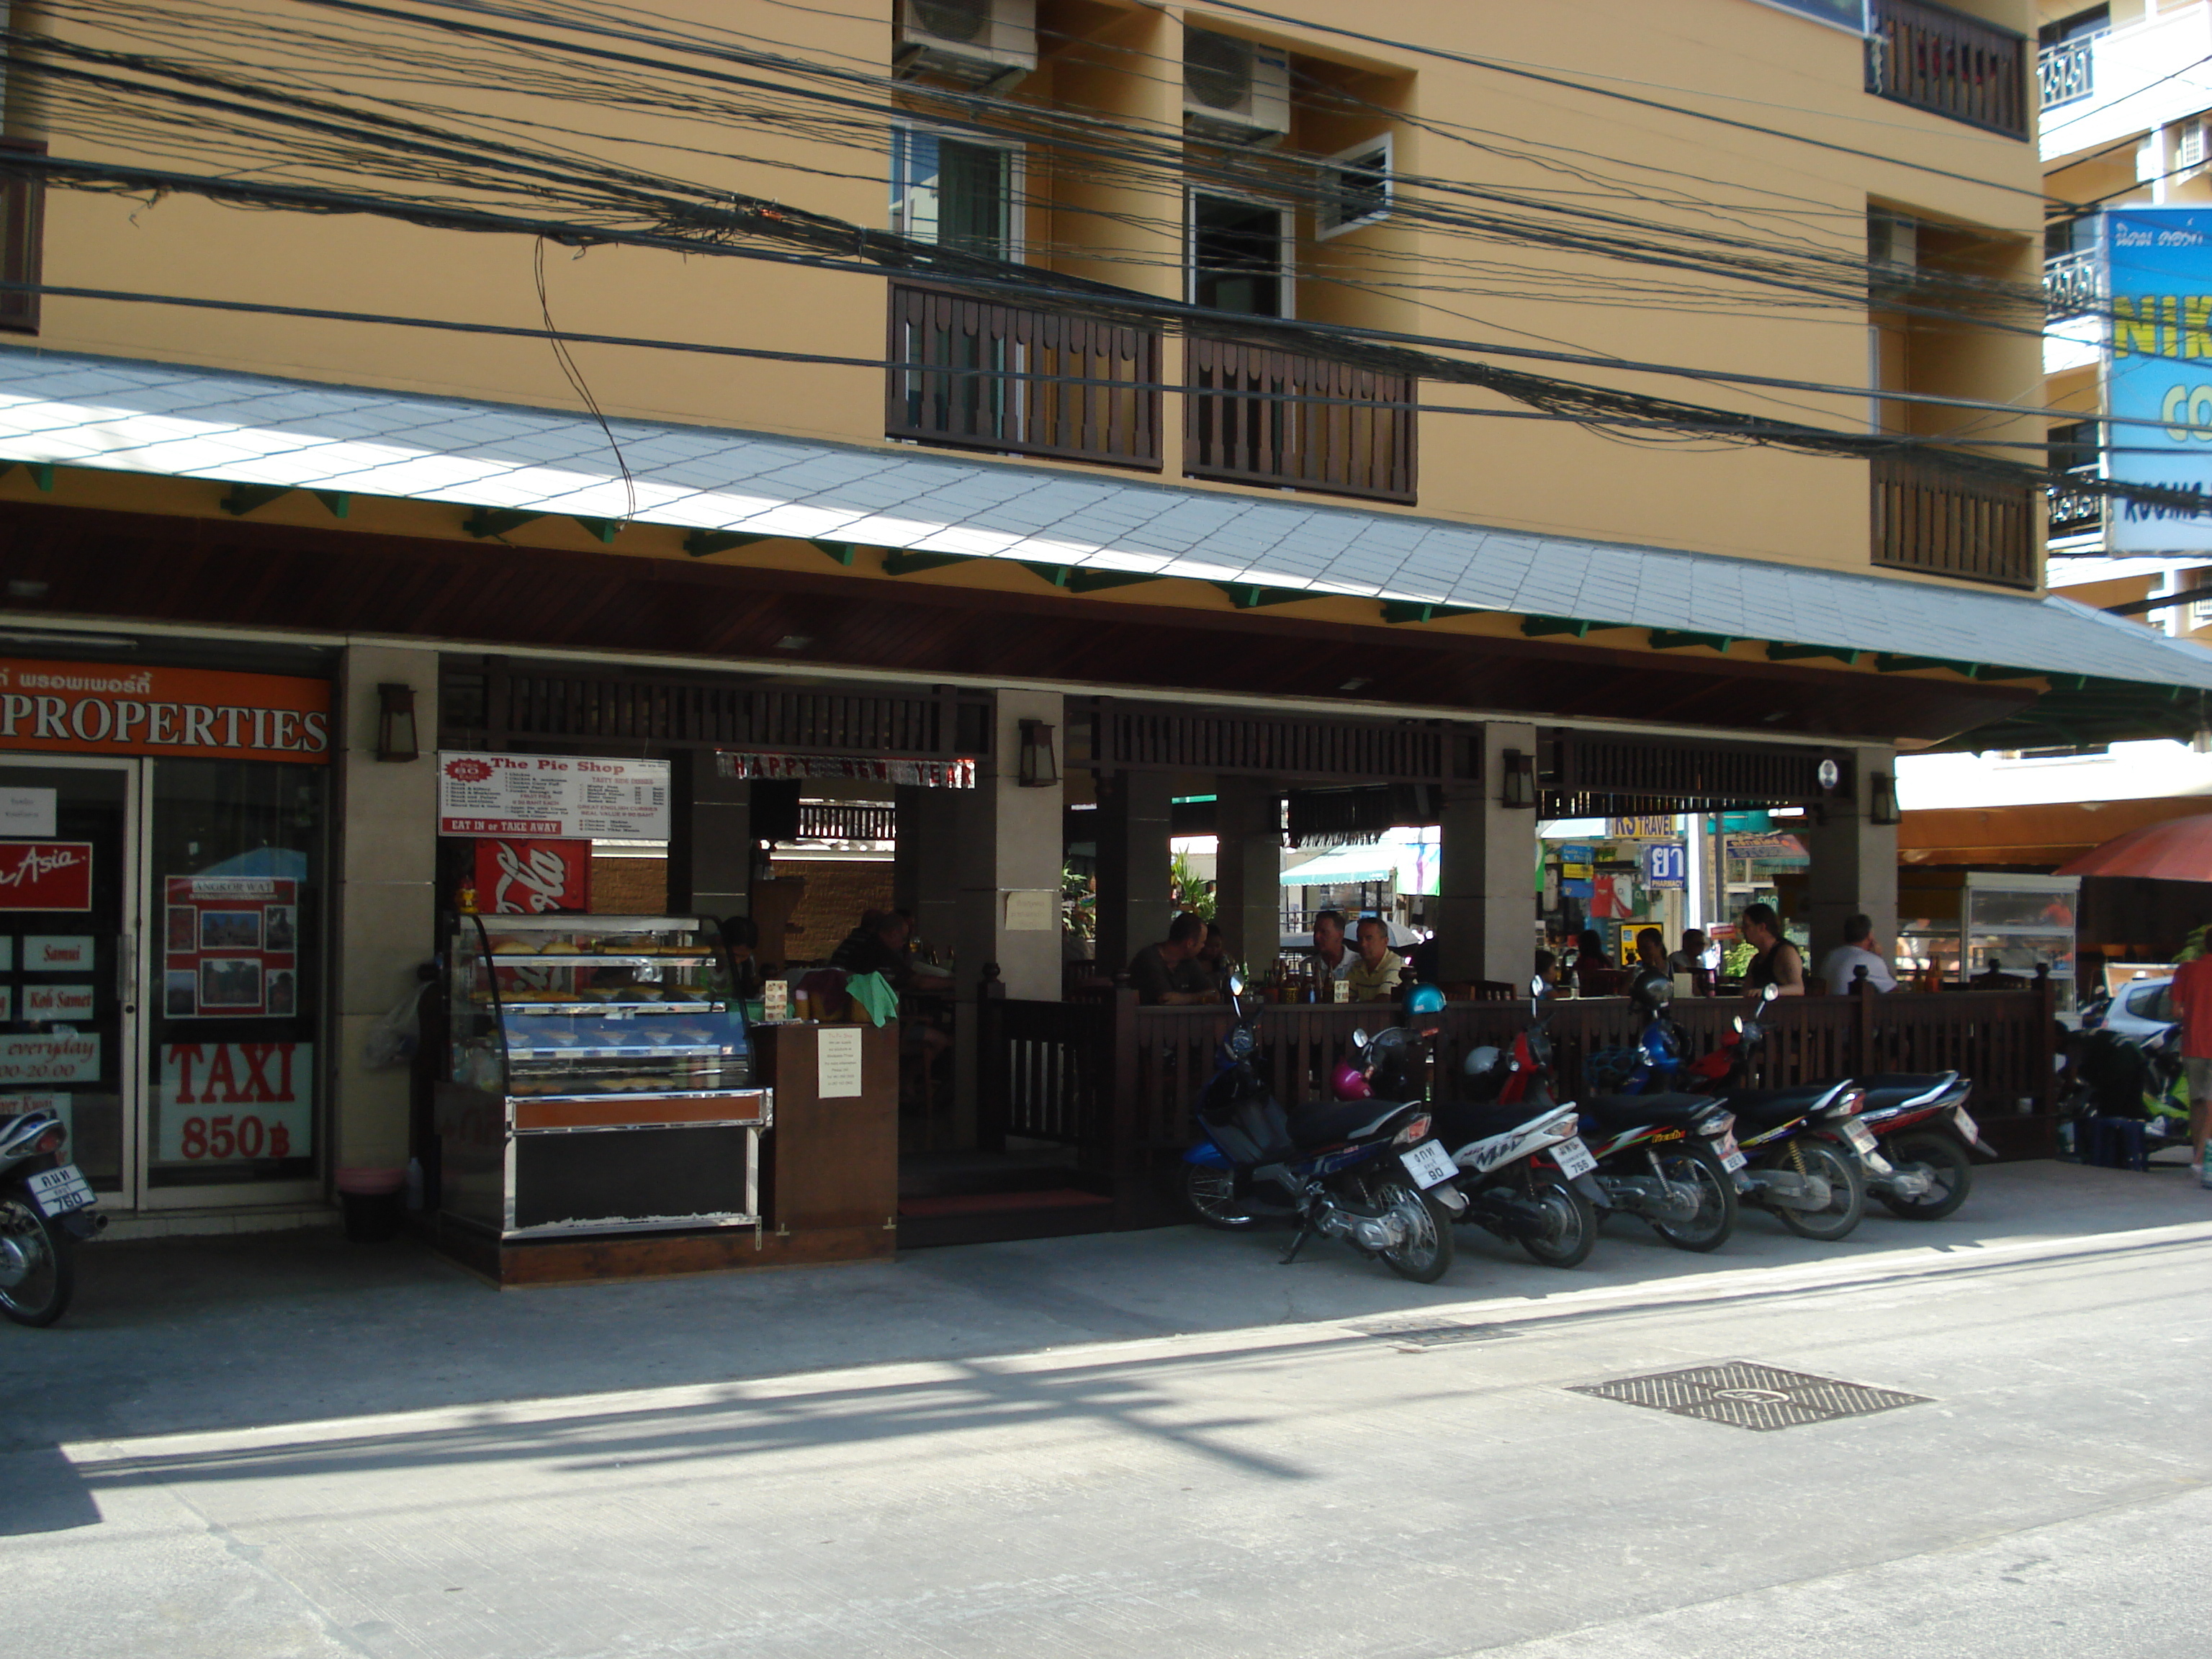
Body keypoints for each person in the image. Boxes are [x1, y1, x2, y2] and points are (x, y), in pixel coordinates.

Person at [2172, 943, 2212, 1186]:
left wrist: (2196, 1012)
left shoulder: (2187, 970)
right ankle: (2201, 1161)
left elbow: (2176, 1010)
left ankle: (2196, 1159)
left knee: (2197, 1104)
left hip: (2193, 1046)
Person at [1128, 912, 1220, 1005]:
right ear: (1190, 943)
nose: (1203, 946)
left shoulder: (1189, 961)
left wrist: (1185, 998)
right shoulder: (1149, 959)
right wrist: (1200, 997)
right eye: (1203, 942)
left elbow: (1214, 995)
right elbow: (1166, 1000)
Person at [1817, 914, 1897, 994]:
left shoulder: (1831, 956)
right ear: (1870, 935)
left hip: (1829, 1006)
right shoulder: (1872, 960)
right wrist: (1879, 957)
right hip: (1855, 1007)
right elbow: (1893, 992)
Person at [1740, 902, 1804, 997]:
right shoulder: (1757, 960)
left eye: (1747, 926)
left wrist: (1768, 992)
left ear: (1762, 927)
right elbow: (1744, 991)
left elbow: (1798, 988)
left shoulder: (1786, 952)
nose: (1742, 930)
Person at [1346, 914, 1406, 1002]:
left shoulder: (1395, 965)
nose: (1363, 944)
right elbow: (1344, 998)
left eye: (1369, 938)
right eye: (1360, 939)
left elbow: (1384, 1001)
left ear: (1385, 941)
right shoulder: (1357, 967)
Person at [1308, 909, 1353, 984]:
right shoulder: (1308, 967)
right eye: (1315, 931)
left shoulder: (1358, 964)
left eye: (1324, 932)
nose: (1317, 937)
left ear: (1340, 935)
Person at [1667, 928, 1712, 997]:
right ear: (1686, 943)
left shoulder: (1700, 963)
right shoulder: (1677, 957)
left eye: (1703, 944)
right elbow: (1685, 977)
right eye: (1698, 944)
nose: (1701, 947)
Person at [1572, 927, 1612, 995]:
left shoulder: (1583, 962)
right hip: (1607, 1001)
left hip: (1585, 1001)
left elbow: (1573, 978)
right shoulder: (1606, 961)